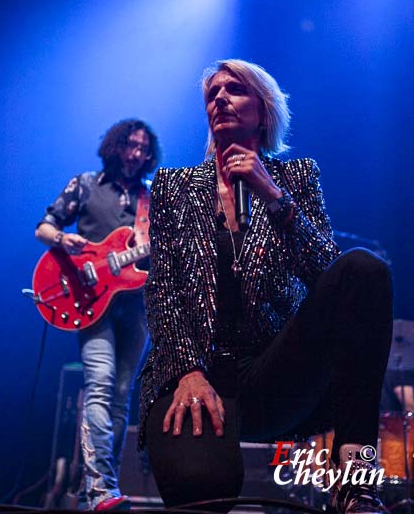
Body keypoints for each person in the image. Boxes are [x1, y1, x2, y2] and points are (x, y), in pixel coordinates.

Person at [139, 60, 393, 514]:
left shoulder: (297, 176)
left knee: (364, 270)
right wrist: (186, 371)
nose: (219, 99)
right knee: (203, 488)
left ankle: (356, 479)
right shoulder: (172, 186)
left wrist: (273, 196)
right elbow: (162, 289)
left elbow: (324, 272)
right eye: (212, 93)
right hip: (196, 371)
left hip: (272, 369)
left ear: (264, 109)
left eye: (234, 90)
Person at [36, 118, 160, 511]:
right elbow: (44, 226)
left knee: (122, 396)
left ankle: (104, 488)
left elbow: (159, 249)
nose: (136, 153)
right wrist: (63, 238)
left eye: (143, 148)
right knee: (101, 383)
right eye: (130, 145)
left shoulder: (150, 197)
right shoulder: (87, 184)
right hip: (88, 300)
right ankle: (100, 489)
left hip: (135, 305)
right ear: (115, 146)